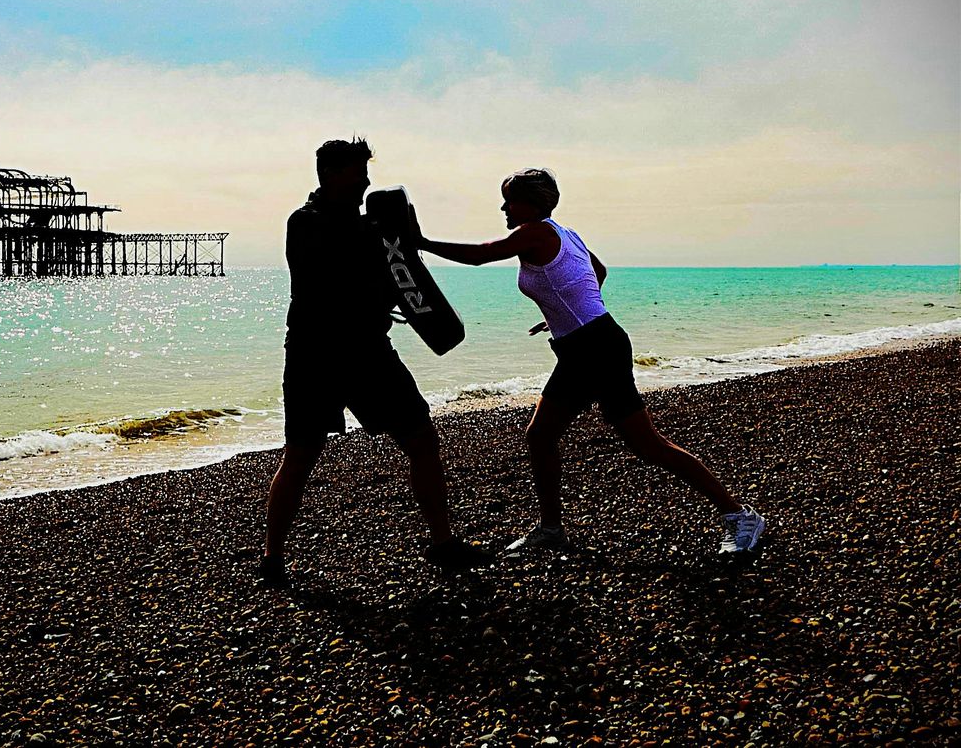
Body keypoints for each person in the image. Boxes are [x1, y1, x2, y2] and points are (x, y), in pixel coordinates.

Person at [415, 167, 766, 555]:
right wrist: (563, 310)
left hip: (596, 349)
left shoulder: (536, 232)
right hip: (587, 345)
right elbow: (598, 270)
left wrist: (422, 242)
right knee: (541, 435)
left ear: (531, 202)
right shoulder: (567, 233)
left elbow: (482, 255)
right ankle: (550, 530)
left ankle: (739, 515)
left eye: (509, 199)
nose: (503, 207)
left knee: (646, 444)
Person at [260, 139, 493, 586]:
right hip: (315, 357)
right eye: (357, 172)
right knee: (301, 455)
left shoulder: (374, 229)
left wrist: (405, 241)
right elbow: (330, 277)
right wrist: (387, 237)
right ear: (330, 173)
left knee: (423, 439)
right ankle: (272, 559)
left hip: (370, 353)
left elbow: (398, 279)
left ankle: (443, 544)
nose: (366, 180)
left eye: (367, 172)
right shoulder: (305, 223)